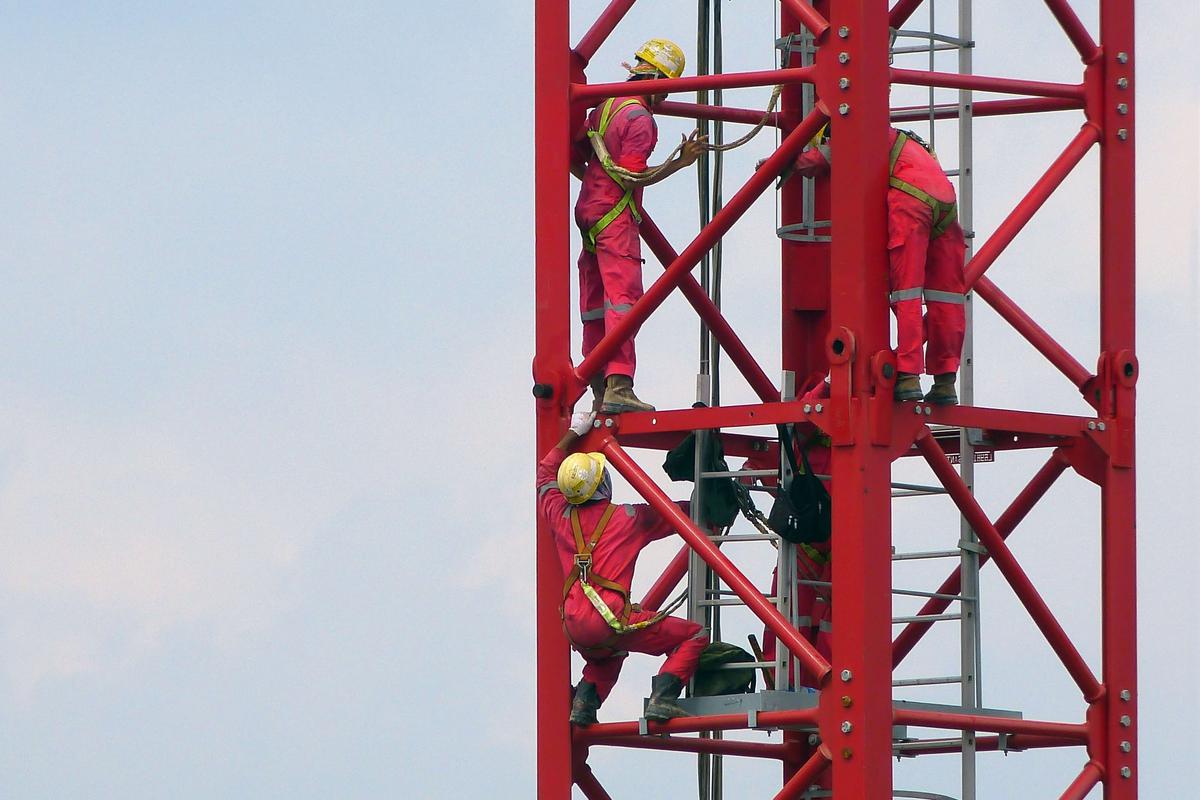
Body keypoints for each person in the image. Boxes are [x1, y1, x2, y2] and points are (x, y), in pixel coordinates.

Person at [772, 125, 967, 404]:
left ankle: (908, 375)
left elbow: (820, 159)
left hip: (911, 198)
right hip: (945, 201)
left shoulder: (858, 127)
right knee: (945, 297)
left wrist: (778, 164)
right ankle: (946, 381)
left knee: (906, 292)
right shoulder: (906, 139)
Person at [538, 410, 709, 726]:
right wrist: (708, 507)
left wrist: (574, 432)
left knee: (608, 654)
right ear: (601, 483)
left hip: (574, 627)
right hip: (610, 620)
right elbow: (676, 516)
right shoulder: (628, 518)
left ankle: (584, 705)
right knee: (695, 634)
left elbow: (545, 473)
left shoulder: (558, 516)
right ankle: (662, 699)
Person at [572, 38, 708, 413]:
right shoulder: (640, 121)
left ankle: (598, 387)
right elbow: (631, 177)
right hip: (614, 217)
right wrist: (679, 163)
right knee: (623, 299)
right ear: (662, 82)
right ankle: (618, 385)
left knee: (595, 303)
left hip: (588, 211)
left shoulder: (605, 107)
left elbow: (582, 152)